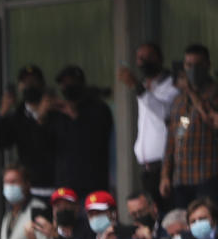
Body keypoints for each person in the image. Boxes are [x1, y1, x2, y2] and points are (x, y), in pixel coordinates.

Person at [119, 43, 180, 207]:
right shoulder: (146, 86)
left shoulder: (172, 85)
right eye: (140, 58)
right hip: (147, 168)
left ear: (159, 58)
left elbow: (164, 112)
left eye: (148, 57)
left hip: (165, 165)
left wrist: (137, 88)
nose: (143, 61)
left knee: (170, 214)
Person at [161, 44, 218, 208]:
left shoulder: (214, 93)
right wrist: (165, 175)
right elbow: (172, 139)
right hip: (182, 178)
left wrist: (191, 91)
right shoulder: (178, 101)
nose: (192, 70)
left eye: (197, 65)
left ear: (207, 65)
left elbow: (211, 119)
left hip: (207, 176)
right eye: (188, 65)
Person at [46, 65, 114, 201]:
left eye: (70, 82)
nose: (66, 87)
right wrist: (41, 116)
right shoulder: (57, 114)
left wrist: (74, 114)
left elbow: (96, 139)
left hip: (92, 185)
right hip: (66, 186)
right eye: (63, 84)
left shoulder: (98, 109)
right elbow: (46, 146)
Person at [0, 65, 57, 197]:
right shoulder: (17, 116)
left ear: (42, 85)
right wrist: (3, 114)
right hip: (29, 188)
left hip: (55, 186)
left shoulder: (55, 113)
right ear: (20, 87)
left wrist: (42, 117)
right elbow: (1, 143)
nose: (30, 86)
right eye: (26, 83)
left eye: (33, 82)